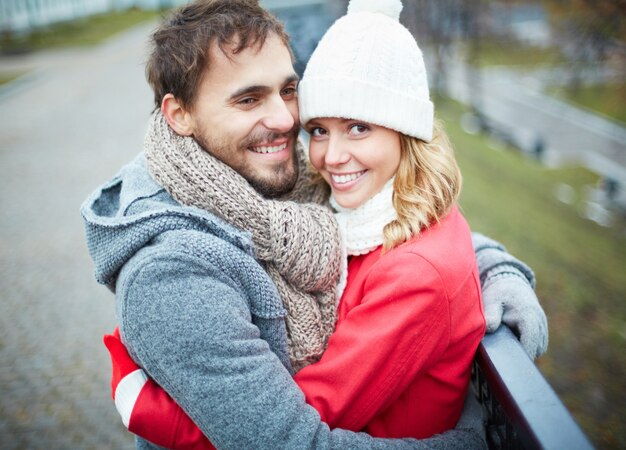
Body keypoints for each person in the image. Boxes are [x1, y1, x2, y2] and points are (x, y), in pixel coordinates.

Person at [81, 0, 548, 448]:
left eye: (287, 90)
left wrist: (495, 269)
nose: (286, 120)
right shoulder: (173, 274)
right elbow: (287, 440)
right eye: (248, 99)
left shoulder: (292, 181)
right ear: (179, 115)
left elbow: (399, 230)